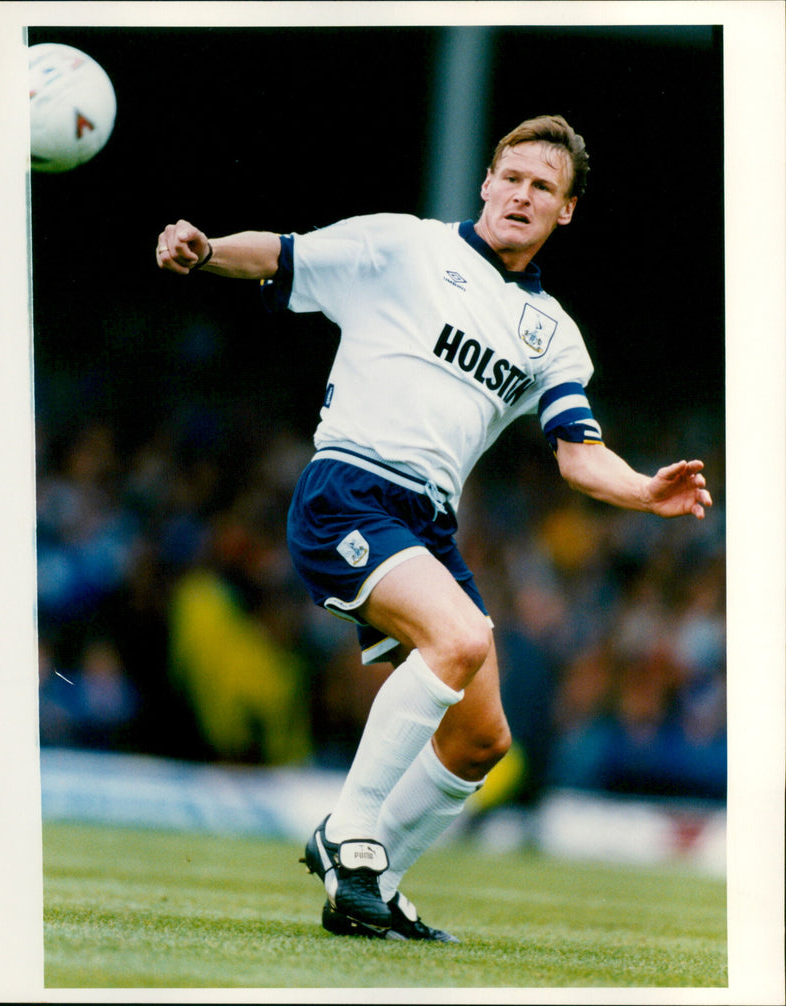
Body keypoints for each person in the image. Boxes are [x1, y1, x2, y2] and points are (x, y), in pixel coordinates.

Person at [156, 114, 712, 943]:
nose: (523, 195)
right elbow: (284, 253)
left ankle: (373, 886)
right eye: (513, 178)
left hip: (427, 523)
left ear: (564, 213)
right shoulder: (406, 248)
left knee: (484, 738)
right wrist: (205, 251)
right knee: (462, 635)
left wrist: (643, 491)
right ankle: (347, 835)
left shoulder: (553, 333)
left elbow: (577, 453)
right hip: (349, 488)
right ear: (487, 183)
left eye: (544, 189)